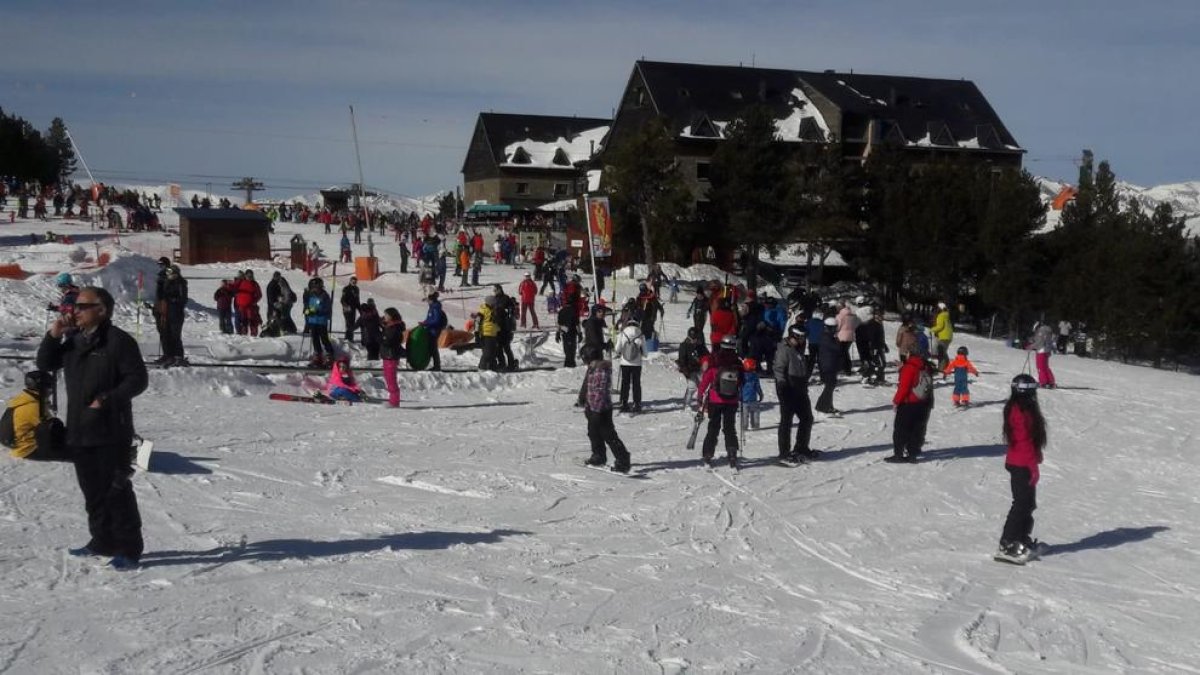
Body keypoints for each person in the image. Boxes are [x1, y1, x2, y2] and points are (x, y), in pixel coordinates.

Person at [36, 286, 149, 569]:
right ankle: (102, 540)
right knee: (92, 492)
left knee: (116, 490)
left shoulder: (119, 341)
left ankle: (129, 548)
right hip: (79, 428)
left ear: (101, 309)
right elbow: (45, 363)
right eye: (74, 305)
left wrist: (107, 399)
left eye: (82, 306)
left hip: (112, 429)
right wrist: (54, 335)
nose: (75, 310)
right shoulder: (74, 341)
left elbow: (137, 380)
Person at [997, 373, 1047, 561]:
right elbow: (1024, 441)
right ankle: (1007, 542)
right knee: (1021, 504)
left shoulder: (1024, 408)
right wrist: (1033, 466)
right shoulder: (1018, 411)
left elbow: (1031, 439)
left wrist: (1036, 455)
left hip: (1021, 461)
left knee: (1028, 504)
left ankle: (1021, 538)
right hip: (1020, 464)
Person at [697, 336, 742, 468]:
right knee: (730, 428)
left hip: (715, 400)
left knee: (713, 427)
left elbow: (705, 380)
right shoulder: (737, 362)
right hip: (732, 401)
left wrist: (700, 397)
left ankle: (707, 454)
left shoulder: (715, 360)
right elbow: (742, 381)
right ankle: (732, 453)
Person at [773, 323, 816, 464]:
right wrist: (782, 385)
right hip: (787, 388)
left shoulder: (798, 348)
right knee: (786, 421)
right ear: (794, 336)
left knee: (807, 418)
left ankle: (801, 447)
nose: (804, 340)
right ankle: (784, 453)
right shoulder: (784, 349)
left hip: (800, 387)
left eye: (805, 337)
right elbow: (778, 369)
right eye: (801, 337)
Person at [582, 355, 631, 473]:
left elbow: (601, 391)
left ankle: (623, 460)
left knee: (609, 435)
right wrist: (586, 403)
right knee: (593, 433)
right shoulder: (592, 369)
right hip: (592, 407)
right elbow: (588, 388)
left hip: (602, 409)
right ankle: (598, 456)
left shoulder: (601, 370)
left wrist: (597, 411)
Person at [888, 352, 933, 463]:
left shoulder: (909, 368)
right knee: (917, 430)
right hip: (923, 404)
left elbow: (904, 387)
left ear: (910, 355)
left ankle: (898, 454)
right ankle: (912, 454)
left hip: (909, 404)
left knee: (901, 430)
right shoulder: (926, 366)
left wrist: (896, 402)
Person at [4, 371, 54, 459]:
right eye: (49, 387)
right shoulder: (35, 407)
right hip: (27, 450)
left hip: (19, 446)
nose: (51, 391)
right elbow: (53, 430)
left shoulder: (24, 398)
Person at [157, 265, 188, 365]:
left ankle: (178, 356)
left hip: (176, 313)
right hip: (166, 313)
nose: (169, 275)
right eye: (168, 273)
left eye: (171, 273)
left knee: (175, 336)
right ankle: (168, 355)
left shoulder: (180, 283)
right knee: (166, 335)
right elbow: (160, 295)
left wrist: (173, 300)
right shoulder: (167, 283)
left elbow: (183, 299)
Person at [614, 318, 645, 413]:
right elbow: (646, 352)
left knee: (625, 382)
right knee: (636, 383)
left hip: (625, 362)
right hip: (637, 363)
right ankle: (637, 403)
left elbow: (617, 349)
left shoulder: (622, 334)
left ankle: (624, 402)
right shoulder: (640, 335)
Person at [302, 278, 335, 366]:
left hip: (321, 320)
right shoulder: (311, 295)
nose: (314, 289)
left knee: (324, 338)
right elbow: (307, 306)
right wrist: (307, 311)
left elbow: (327, 308)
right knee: (315, 338)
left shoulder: (324, 296)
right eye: (313, 287)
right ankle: (318, 354)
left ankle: (329, 354)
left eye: (315, 287)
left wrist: (318, 311)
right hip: (313, 320)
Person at [675, 326, 709, 408]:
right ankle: (686, 404)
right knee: (692, 386)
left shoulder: (700, 346)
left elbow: (707, 355)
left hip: (700, 368)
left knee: (704, 386)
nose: (694, 341)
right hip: (689, 370)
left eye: (696, 339)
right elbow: (682, 359)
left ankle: (704, 404)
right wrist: (685, 369)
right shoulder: (684, 345)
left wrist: (706, 362)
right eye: (693, 339)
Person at [815, 317, 842, 415]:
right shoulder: (826, 337)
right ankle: (822, 406)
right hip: (828, 365)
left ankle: (827, 405)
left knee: (830, 386)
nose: (835, 329)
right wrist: (838, 342)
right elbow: (836, 348)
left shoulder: (828, 336)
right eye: (834, 328)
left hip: (830, 364)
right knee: (830, 386)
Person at [380, 308, 406, 406]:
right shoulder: (390, 326)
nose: (384, 317)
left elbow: (388, 342)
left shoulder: (394, 328)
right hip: (387, 356)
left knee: (391, 380)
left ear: (391, 316)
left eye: (386, 315)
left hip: (391, 356)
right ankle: (392, 400)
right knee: (388, 379)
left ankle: (394, 402)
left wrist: (380, 337)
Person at [419, 292, 446, 371]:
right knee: (431, 347)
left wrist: (426, 323)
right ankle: (431, 364)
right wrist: (424, 323)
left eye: (429, 300)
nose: (427, 301)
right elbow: (429, 319)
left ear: (432, 300)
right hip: (430, 329)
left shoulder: (436, 308)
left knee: (433, 348)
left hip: (434, 330)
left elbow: (436, 320)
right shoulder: (432, 307)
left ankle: (437, 365)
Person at [233, 270, 262, 337]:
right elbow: (233, 288)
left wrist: (254, 301)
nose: (249, 277)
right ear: (245, 276)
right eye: (248, 276)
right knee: (243, 321)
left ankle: (253, 335)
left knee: (252, 320)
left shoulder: (254, 284)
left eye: (251, 276)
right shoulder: (240, 282)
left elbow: (259, 294)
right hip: (241, 306)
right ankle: (243, 335)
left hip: (251, 306)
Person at [739, 357, 764, 430]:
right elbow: (758, 387)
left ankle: (744, 426)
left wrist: (739, 397)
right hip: (753, 399)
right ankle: (755, 425)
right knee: (755, 412)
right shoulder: (755, 376)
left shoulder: (742, 376)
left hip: (744, 400)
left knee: (745, 414)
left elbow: (739, 388)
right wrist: (760, 394)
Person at [1030, 322, 1057, 388]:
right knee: (1045, 367)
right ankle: (1050, 381)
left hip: (1041, 351)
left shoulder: (1041, 332)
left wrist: (1031, 346)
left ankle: (1043, 382)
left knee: (1040, 367)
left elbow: (1039, 342)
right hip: (1046, 351)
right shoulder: (1047, 331)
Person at [556, 298, 580, 368]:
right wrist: (580, 333)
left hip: (564, 332)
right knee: (572, 348)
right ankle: (571, 363)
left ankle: (567, 362)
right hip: (572, 332)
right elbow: (577, 324)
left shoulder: (561, 311)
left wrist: (557, 333)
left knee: (566, 347)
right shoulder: (574, 311)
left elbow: (559, 324)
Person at [932, 302, 954, 372]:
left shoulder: (941, 315)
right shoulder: (946, 314)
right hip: (948, 336)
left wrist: (932, 329)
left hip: (943, 336)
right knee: (944, 352)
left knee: (941, 353)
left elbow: (940, 326)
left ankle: (941, 368)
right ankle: (947, 366)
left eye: (937, 308)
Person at [341, 276, 361, 342]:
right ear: (350, 281)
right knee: (348, 323)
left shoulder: (356, 289)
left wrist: (360, 310)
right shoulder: (346, 289)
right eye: (353, 281)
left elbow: (357, 300)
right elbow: (343, 299)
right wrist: (346, 306)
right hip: (347, 309)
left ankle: (350, 337)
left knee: (352, 323)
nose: (354, 283)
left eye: (355, 282)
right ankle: (347, 338)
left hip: (353, 309)